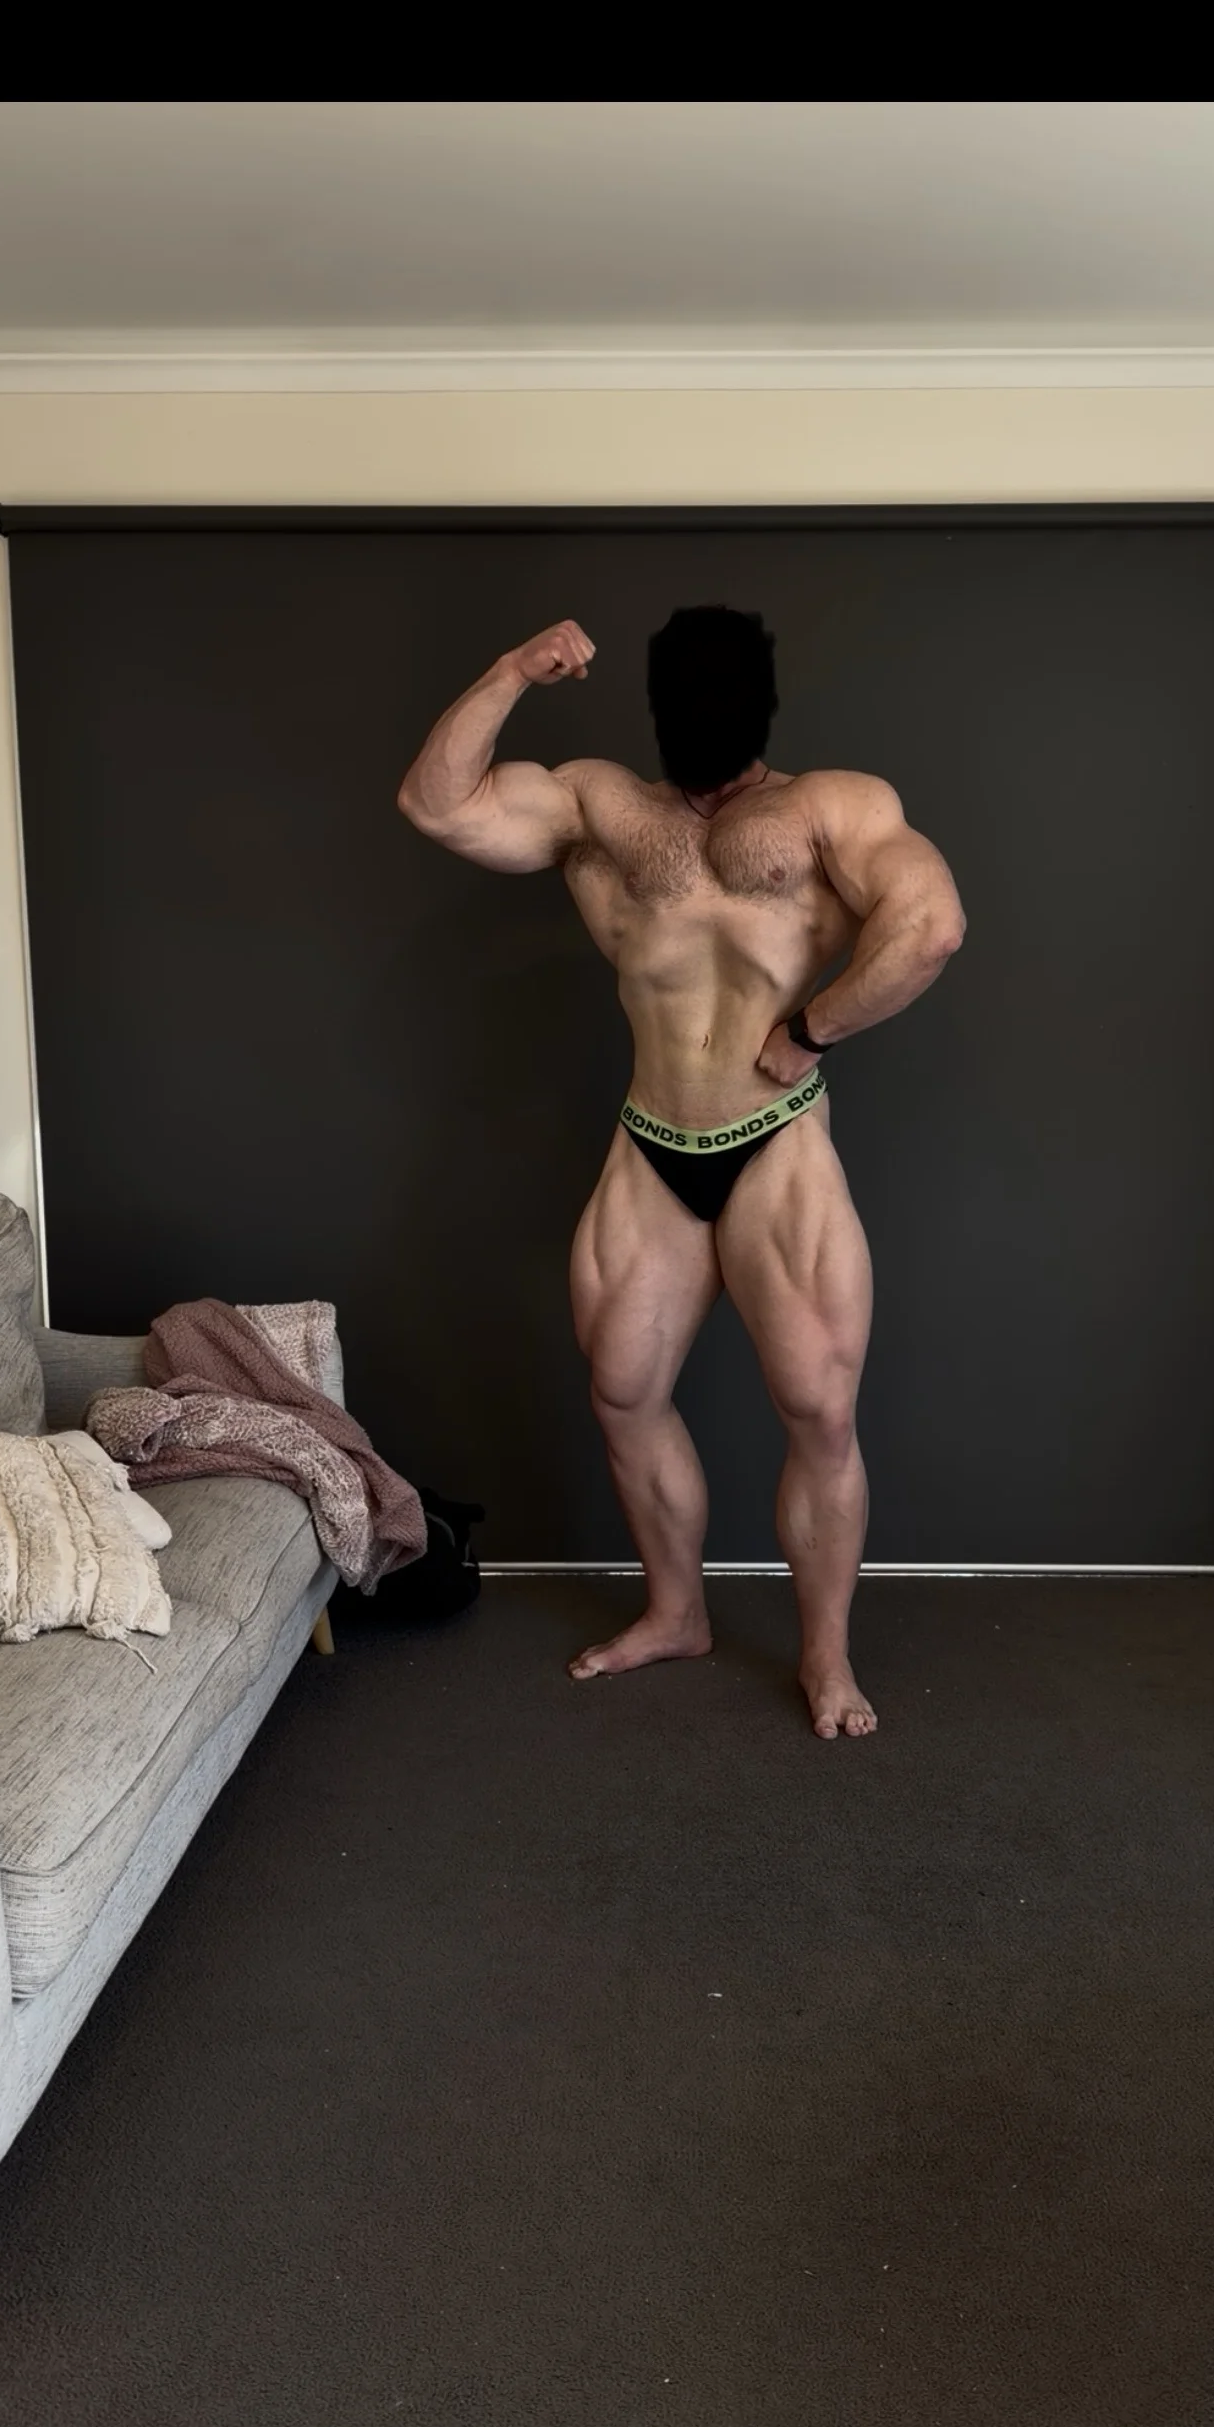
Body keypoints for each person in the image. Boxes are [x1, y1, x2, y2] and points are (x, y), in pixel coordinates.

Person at [398, 606, 965, 1738]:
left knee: (819, 1410)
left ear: (759, 710)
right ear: (659, 713)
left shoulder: (829, 808)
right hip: (651, 1143)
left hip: (777, 1141)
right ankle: (676, 1613)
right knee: (622, 1391)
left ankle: (826, 1657)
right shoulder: (601, 807)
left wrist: (812, 1030)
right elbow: (437, 804)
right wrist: (511, 671)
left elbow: (930, 925)